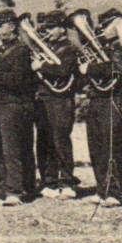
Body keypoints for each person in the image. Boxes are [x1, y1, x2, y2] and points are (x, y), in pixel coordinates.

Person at [0, 11, 36, 206]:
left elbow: (15, 80)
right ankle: (2, 188)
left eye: (1, 26)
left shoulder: (21, 50)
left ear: (12, 26)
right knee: (0, 148)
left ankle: (14, 191)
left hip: (13, 104)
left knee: (12, 149)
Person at [84, 8, 122, 206]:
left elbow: (117, 69)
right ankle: (101, 189)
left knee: (111, 147)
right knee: (96, 146)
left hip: (113, 99)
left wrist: (90, 68)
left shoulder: (121, 47)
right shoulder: (104, 46)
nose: (102, 30)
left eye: (106, 26)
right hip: (97, 98)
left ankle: (115, 192)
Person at [33, 11, 80, 199]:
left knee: (61, 140)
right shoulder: (47, 47)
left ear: (62, 29)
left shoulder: (70, 48)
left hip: (61, 99)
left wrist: (41, 66)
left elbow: (63, 70)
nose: (48, 31)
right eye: (47, 28)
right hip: (44, 97)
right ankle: (49, 181)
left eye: (52, 28)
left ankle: (67, 181)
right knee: (45, 141)